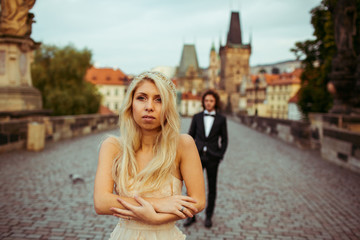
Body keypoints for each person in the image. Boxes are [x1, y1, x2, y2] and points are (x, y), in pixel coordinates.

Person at [93, 71, 206, 240]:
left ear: (168, 107)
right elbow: (101, 202)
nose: (149, 106)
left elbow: (198, 200)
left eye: (159, 99)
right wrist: (158, 203)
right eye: (141, 98)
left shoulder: (183, 145)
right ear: (131, 103)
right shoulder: (113, 147)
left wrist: (157, 218)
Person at [183, 89, 228, 228]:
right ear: (203, 102)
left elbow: (225, 140)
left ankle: (208, 216)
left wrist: (219, 155)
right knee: (192, 188)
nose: (208, 103)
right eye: (206, 100)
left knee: (212, 187)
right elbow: (190, 136)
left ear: (215, 103)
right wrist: (188, 155)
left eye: (211, 101)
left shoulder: (221, 119)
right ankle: (191, 216)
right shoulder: (196, 117)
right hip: (196, 157)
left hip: (213, 158)